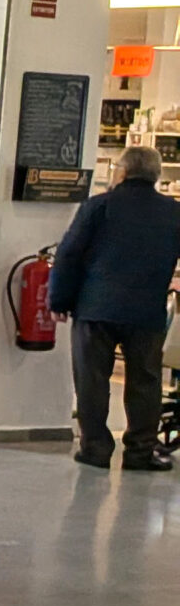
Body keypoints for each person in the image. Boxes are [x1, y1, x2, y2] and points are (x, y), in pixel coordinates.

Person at [50, 144, 180, 470]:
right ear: (156, 175)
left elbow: (68, 254)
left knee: (92, 380)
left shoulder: (98, 206)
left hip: (95, 308)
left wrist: (59, 301)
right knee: (146, 382)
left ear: (121, 172)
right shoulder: (173, 212)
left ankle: (95, 449)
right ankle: (139, 451)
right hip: (147, 311)